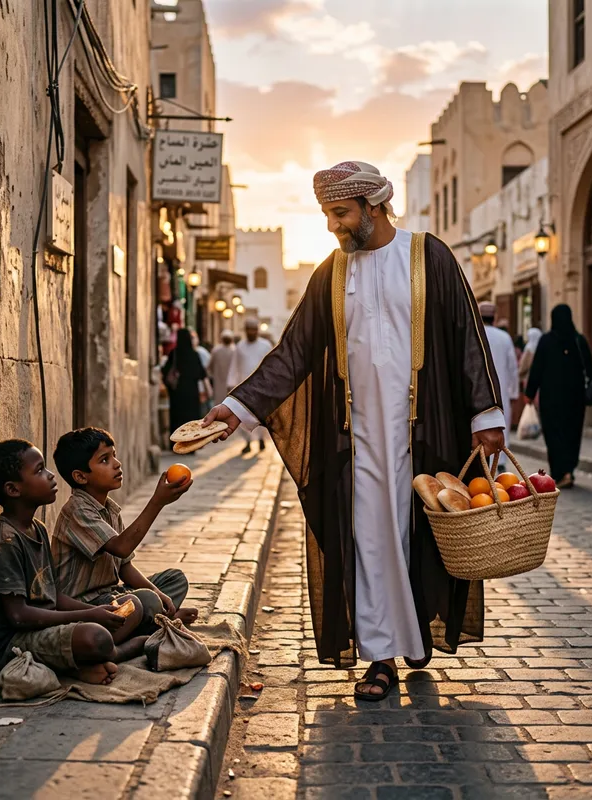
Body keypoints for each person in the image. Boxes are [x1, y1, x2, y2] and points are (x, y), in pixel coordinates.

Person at [204, 160, 505, 700]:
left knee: (420, 541)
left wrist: (486, 418)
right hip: (357, 439)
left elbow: (466, 337)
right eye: (326, 214)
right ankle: (381, 657)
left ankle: (412, 631)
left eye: (340, 213)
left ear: (373, 206)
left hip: (424, 435)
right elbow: (293, 352)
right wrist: (238, 407)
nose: (331, 226)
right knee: (367, 540)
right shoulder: (332, 273)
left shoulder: (428, 256)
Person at [0, 440, 148, 685]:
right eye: (40, 470)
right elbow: (18, 616)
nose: (51, 475)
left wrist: (94, 613)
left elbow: (53, 596)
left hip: (42, 626)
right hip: (10, 642)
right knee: (96, 638)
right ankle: (116, 653)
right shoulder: (4, 541)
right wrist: (89, 617)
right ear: (13, 489)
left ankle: (84, 662)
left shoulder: (38, 529)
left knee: (132, 606)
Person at [51, 427, 198, 628]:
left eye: (114, 456)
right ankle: (157, 620)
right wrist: (157, 502)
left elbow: (124, 566)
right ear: (81, 477)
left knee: (174, 579)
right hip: (85, 606)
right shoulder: (77, 510)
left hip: (113, 595)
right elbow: (122, 547)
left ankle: (158, 615)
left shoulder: (109, 509)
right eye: (105, 460)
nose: (117, 464)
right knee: (143, 601)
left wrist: (160, 594)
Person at [524, 304, 592, 489]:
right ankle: (568, 470)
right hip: (575, 398)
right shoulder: (578, 340)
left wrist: (530, 393)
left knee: (554, 434)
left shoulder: (546, 341)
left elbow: (537, 369)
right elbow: (590, 367)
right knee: (572, 434)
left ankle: (560, 472)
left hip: (551, 398)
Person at [480, 302, 519, 468]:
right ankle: (500, 461)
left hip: (479, 391)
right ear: (494, 317)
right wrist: (513, 393)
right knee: (501, 425)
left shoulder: (475, 334)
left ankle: (481, 461)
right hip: (500, 391)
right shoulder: (504, 338)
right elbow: (512, 368)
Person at [227, 319, 273, 454]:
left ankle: (261, 440)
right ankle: (247, 441)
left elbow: (271, 366)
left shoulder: (265, 345)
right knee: (241, 416)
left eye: (254, 329)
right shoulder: (240, 346)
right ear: (245, 330)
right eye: (249, 329)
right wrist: (230, 384)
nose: (251, 332)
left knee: (260, 416)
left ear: (257, 330)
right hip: (243, 387)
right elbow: (234, 366)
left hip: (261, 387)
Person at [163, 328, 207, 434]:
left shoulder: (174, 354)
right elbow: (201, 374)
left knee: (177, 418)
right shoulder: (194, 354)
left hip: (177, 393)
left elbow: (165, 371)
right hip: (191, 392)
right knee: (191, 418)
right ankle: (191, 442)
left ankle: (176, 442)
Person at [208, 330, 236, 406]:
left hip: (220, 382)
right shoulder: (234, 350)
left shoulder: (216, 350)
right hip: (230, 383)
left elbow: (210, 367)